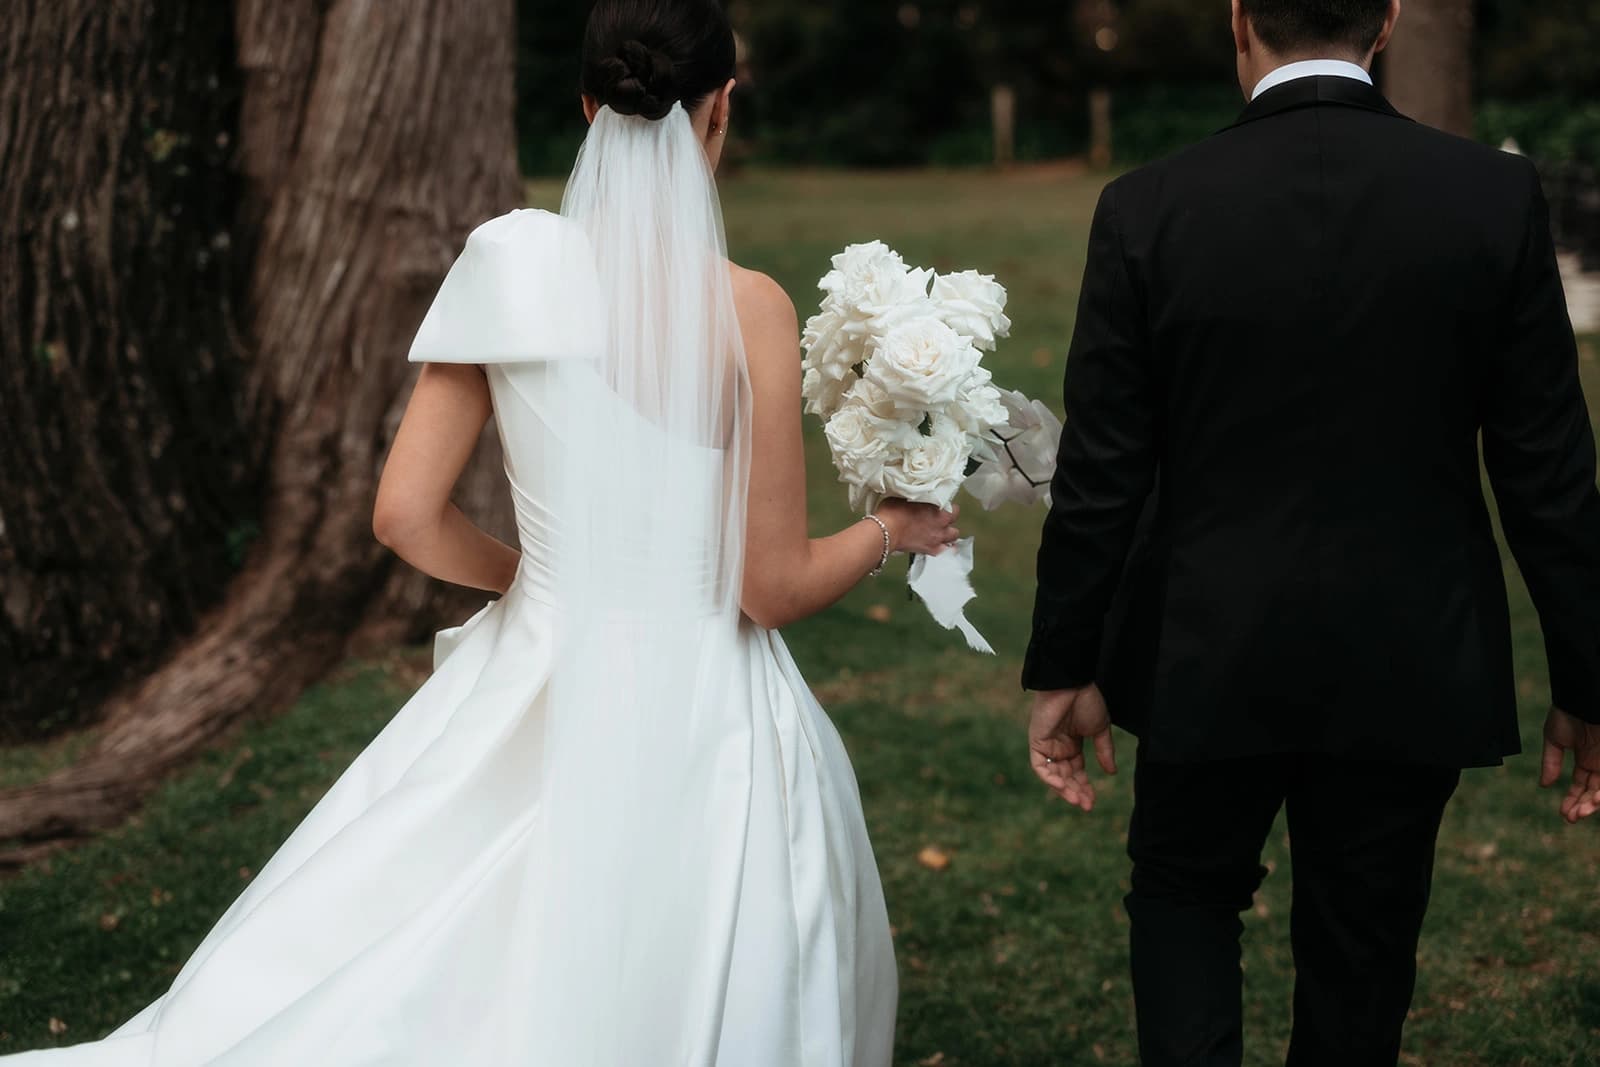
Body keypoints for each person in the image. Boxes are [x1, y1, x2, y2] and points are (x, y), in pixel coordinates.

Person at [5, 1, 958, 1062]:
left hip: (539, 667)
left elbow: (404, 514)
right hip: (710, 712)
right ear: (721, 107)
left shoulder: (510, 265)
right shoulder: (749, 309)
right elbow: (768, 589)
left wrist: (535, 580)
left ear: (589, 106)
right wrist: (891, 527)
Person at [1023, 1, 1600, 1065]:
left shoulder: (1148, 206)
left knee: (1185, 894)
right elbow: (1548, 469)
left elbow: (1102, 475)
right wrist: (1587, 673)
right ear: (1386, 20)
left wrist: (1066, 659)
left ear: (1238, 18)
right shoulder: (1490, 194)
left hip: (1205, 647)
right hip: (1409, 645)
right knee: (1363, 938)